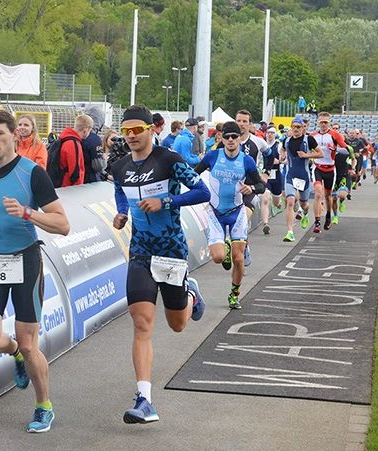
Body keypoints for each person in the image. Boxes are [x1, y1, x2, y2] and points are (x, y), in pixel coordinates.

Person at [0, 110, 70, 433]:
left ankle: (43, 406)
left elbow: (63, 224)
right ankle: (14, 355)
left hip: (25, 261)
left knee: (28, 342)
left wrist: (27, 213)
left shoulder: (31, 174)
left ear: (14, 137)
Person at [110, 104, 209, 424]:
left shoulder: (169, 160)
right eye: (125, 132)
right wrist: (122, 211)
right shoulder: (121, 166)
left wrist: (166, 201)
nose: (131, 137)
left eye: (137, 130)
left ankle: (191, 294)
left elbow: (202, 191)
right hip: (139, 252)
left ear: (152, 129)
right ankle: (144, 400)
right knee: (141, 323)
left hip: (171, 251)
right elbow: (120, 191)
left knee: (178, 324)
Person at [194, 121, 265, 309]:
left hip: (237, 212)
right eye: (227, 136)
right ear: (222, 138)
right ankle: (226, 245)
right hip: (216, 213)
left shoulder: (246, 161)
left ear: (240, 138)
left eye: (234, 136)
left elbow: (261, 185)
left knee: (239, 258)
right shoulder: (212, 156)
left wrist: (251, 187)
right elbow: (193, 175)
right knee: (218, 257)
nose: (231, 140)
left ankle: (234, 293)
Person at [281, 117, 323, 241]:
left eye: (298, 127)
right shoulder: (286, 140)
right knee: (290, 201)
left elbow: (320, 154)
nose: (296, 129)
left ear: (303, 128)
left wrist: (307, 155)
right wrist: (283, 155)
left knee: (304, 204)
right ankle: (290, 232)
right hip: (290, 176)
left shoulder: (308, 140)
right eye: (293, 127)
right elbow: (283, 149)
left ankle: (305, 214)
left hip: (303, 177)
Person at [236, 109, 269, 265]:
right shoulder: (228, 141)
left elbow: (270, 154)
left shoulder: (258, 141)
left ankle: (243, 250)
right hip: (231, 190)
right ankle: (245, 245)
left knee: (242, 219)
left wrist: (266, 173)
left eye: (245, 121)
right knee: (237, 224)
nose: (241, 124)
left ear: (250, 124)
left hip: (250, 188)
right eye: (239, 121)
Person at [310, 112, 349, 232]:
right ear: (318, 122)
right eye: (321, 122)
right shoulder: (312, 136)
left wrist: (335, 149)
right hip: (317, 168)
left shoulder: (335, 135)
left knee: (328, 196)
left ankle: (328, 215)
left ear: (329, 123)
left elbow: (346, 151)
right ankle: (317, 222)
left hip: (331, 169)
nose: (323, 124)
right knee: (317, 193)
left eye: (325, 122)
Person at [56, 114, 93, 187]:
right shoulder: (73, 143)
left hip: (60, 182)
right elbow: (75, 172)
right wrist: (78, 189)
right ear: (86, 130)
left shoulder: (64, 138)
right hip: (68, 187)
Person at [259, 126, 283, 235]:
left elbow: (285, 158)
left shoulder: (279, 146)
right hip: (265, 175)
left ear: (275, 134)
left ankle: (279, 203)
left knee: (276, 202)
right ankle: (265, 224)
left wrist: (280, 161)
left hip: (276, 176)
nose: (270, 134)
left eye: (272, 133)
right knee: (265, 198)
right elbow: (257, 159)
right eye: (268, 132)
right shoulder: (262, 145)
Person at [82, 106, 107, 183]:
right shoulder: (94, 139)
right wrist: (104, 159)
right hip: (89, 181)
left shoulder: (77, 134)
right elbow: (98, 166)